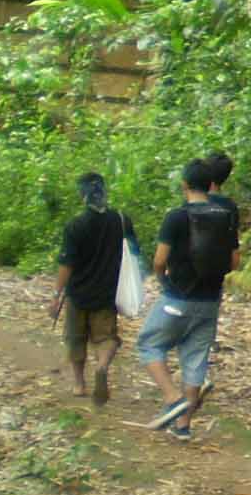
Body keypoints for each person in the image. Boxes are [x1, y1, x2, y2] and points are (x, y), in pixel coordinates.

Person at [135, 159, 240, 440]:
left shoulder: (177, 216)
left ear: (184, 184)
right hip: (210, 300)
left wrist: (163, 280)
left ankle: (173, 398)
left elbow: (159, 260)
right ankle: (183, 426)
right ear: (211, 186)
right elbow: (234, 261)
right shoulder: (227, 213)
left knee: (149, 344)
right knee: (195, 360)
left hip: (178, 296)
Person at [49, 172, 137, 406]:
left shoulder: (75, 225)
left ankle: (79, 384)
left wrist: (56, 295)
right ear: (105, 192)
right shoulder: (121, 220)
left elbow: (66, 264)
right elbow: (134, 253)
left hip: (78, 293)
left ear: (82, 195)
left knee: (75, 338)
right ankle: (101, 367)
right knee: (106, 337)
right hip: (108, 292)